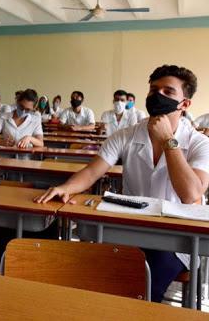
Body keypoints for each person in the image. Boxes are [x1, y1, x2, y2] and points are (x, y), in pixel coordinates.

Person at [34, 65, 209, 303]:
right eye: (154, 90)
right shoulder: (127, 134)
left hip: (177, 239)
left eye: (168, 92)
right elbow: (93, 171)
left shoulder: (199, 143)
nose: (158, 96)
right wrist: (66, 188)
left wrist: (168, 141)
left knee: (141, 286)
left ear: (185, 104)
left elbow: (190, 194)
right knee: (93, 274)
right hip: (130, 229)